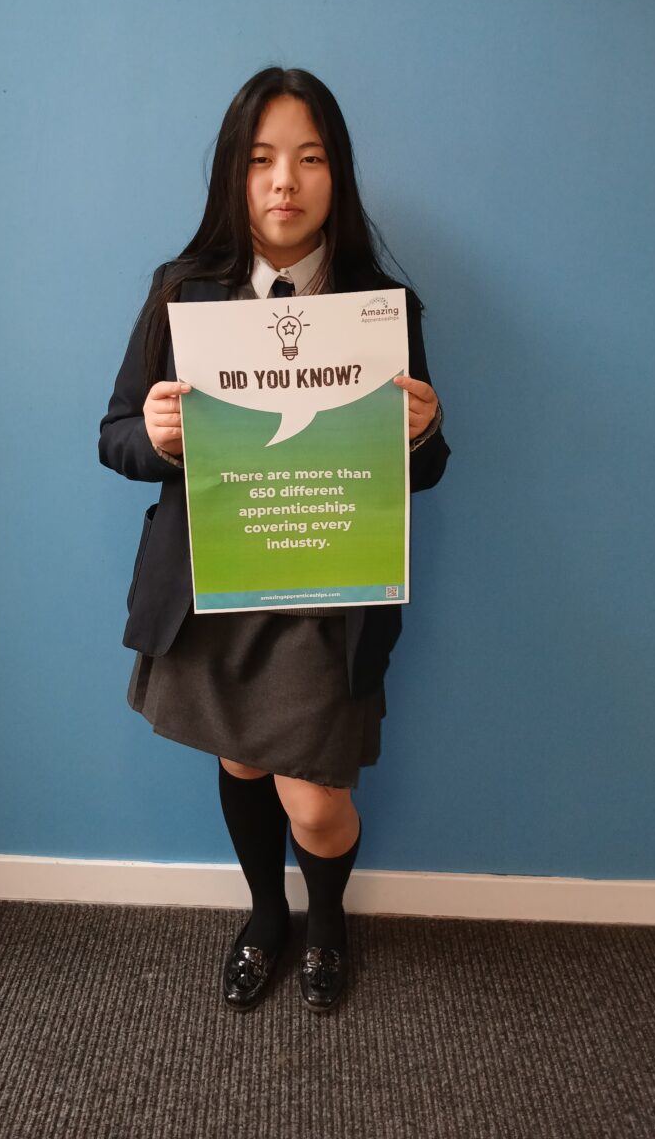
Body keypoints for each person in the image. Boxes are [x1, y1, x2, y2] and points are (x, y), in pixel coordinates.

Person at [99, 67, 450, 1013]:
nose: (283, 181)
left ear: (335, 176)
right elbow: (114, 437)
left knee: (315, 799)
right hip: (217, 583)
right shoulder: (184, 294)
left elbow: (425, 469)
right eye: (260, 161)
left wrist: (421, 430)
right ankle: (267, 913)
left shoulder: (383, 310)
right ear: (233, 176)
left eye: (307, 158)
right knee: (242, 763)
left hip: (328, 594)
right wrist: (158, 438)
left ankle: (326, 914)